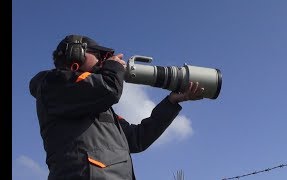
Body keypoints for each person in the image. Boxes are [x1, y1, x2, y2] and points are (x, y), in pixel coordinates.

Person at [29, 34, 205, 180]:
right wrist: (112, 66)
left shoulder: (96, 104)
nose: (101, 61)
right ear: (76, 53)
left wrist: (171, 102)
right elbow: (109, 89)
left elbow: (138, 139)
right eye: (98, 55)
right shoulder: (53, 84)